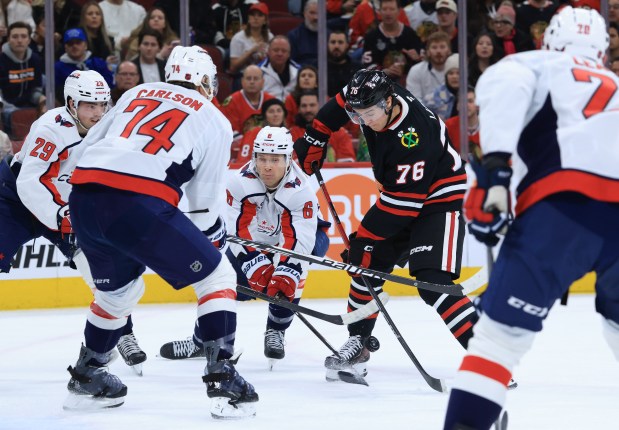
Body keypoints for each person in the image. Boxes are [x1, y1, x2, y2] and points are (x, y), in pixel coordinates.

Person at [443, 7, 619, 429]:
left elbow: (506, 88)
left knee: (497, 343)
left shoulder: (535, 63)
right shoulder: (615, 82)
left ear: (550, 40)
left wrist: (496, 171)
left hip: (564, 207)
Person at [63, 46, 258, 418]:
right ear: (204, 80)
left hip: (84, 197)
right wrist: (215, 246)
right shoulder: (214, 118)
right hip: (137, 203)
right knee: (218, 275)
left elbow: (86, 147)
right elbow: (203, 207)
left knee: (118, 292)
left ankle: (87, 376)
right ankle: (223, 378)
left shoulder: (136, 93)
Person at [293, 69, 477, 382]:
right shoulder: (372, 94)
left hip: (438, 199)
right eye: (359, 115)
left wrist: (363, 240)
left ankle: (488, 360)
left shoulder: (413, 134)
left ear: (389, 102)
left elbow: (402, 205)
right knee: (367, 267)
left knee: (432, 281)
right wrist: (317, 135)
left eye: (371, 113)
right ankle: (359, 344)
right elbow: (339, 104)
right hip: (400, 195)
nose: (365, 121)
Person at [0, 70, 146, 374]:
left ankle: (122, 332)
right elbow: (31, 182)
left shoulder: (110, 130)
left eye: (102, 105)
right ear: (70, 103)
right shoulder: (50, 128)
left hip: (70, 207)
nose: (97, 113)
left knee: (105, 272)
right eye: (89, 105)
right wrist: (60, 214)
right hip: (15, 200)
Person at [159, 126, 328, 368]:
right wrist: (254, 265)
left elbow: (297, 241)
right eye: (262, 158)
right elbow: (238, 232)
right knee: (220, 277)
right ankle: (201, 340)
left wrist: (285, 272)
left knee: (292, 273)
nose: (267, 166)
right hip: (254, 239)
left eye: (274, 159)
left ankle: (276, 330)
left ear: (288, 159)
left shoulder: (301, 190)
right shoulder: (239, 183)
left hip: (302, 240)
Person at [0, 21, 45, 135]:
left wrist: (43, 101)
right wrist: (10, 109)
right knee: (18, 116)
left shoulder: (35, 59)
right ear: (8, 39)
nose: (19, 40)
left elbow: (36, 90)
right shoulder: (1, 60)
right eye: (15, 36)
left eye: (23, 36)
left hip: (29, 105)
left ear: (29, 40)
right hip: (6, 108)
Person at [54, 28, 114, 103]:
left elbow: (109, 86)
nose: (74, 46)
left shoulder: (98, 63)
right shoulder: (58, 68)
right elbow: (57, 92)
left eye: (78, 42)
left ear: (85, 45)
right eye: (70, 43)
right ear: (65, 47)